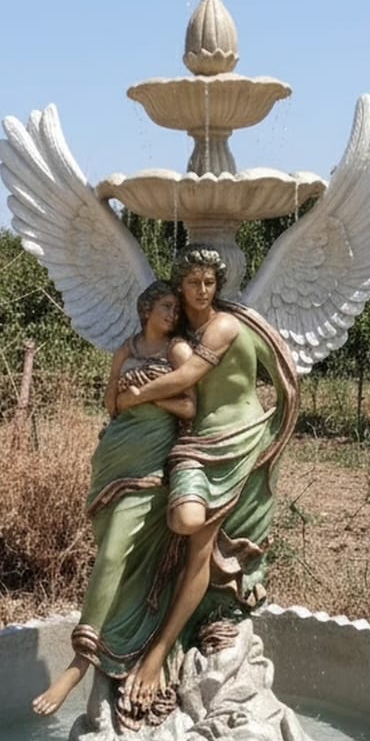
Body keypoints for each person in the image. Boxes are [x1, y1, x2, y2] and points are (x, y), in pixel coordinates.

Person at [115, 245, 298, 715]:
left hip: (238, 442)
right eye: (193, 282)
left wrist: (134, 395)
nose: (202, 290)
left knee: (197, 539)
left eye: (210, 282)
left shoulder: (225, 326)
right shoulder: (178, 334)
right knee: (181, 521)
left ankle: (159, 652)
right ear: (179, 286)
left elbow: (189, 377)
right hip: (197, 443)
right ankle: (149, 619)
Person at [32, 281, 195, 717]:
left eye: (176, 310)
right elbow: (112, 405)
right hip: (112, 461)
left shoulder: (178, 351)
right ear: (147, 309)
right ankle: (118, 642)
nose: (173, 314)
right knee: (114, 559)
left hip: (149, 470)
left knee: (112, 557)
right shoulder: (127, 349)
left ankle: (78, 662)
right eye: (166, 306)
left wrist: (149, 392)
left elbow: (190, 408)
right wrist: (129, 391)